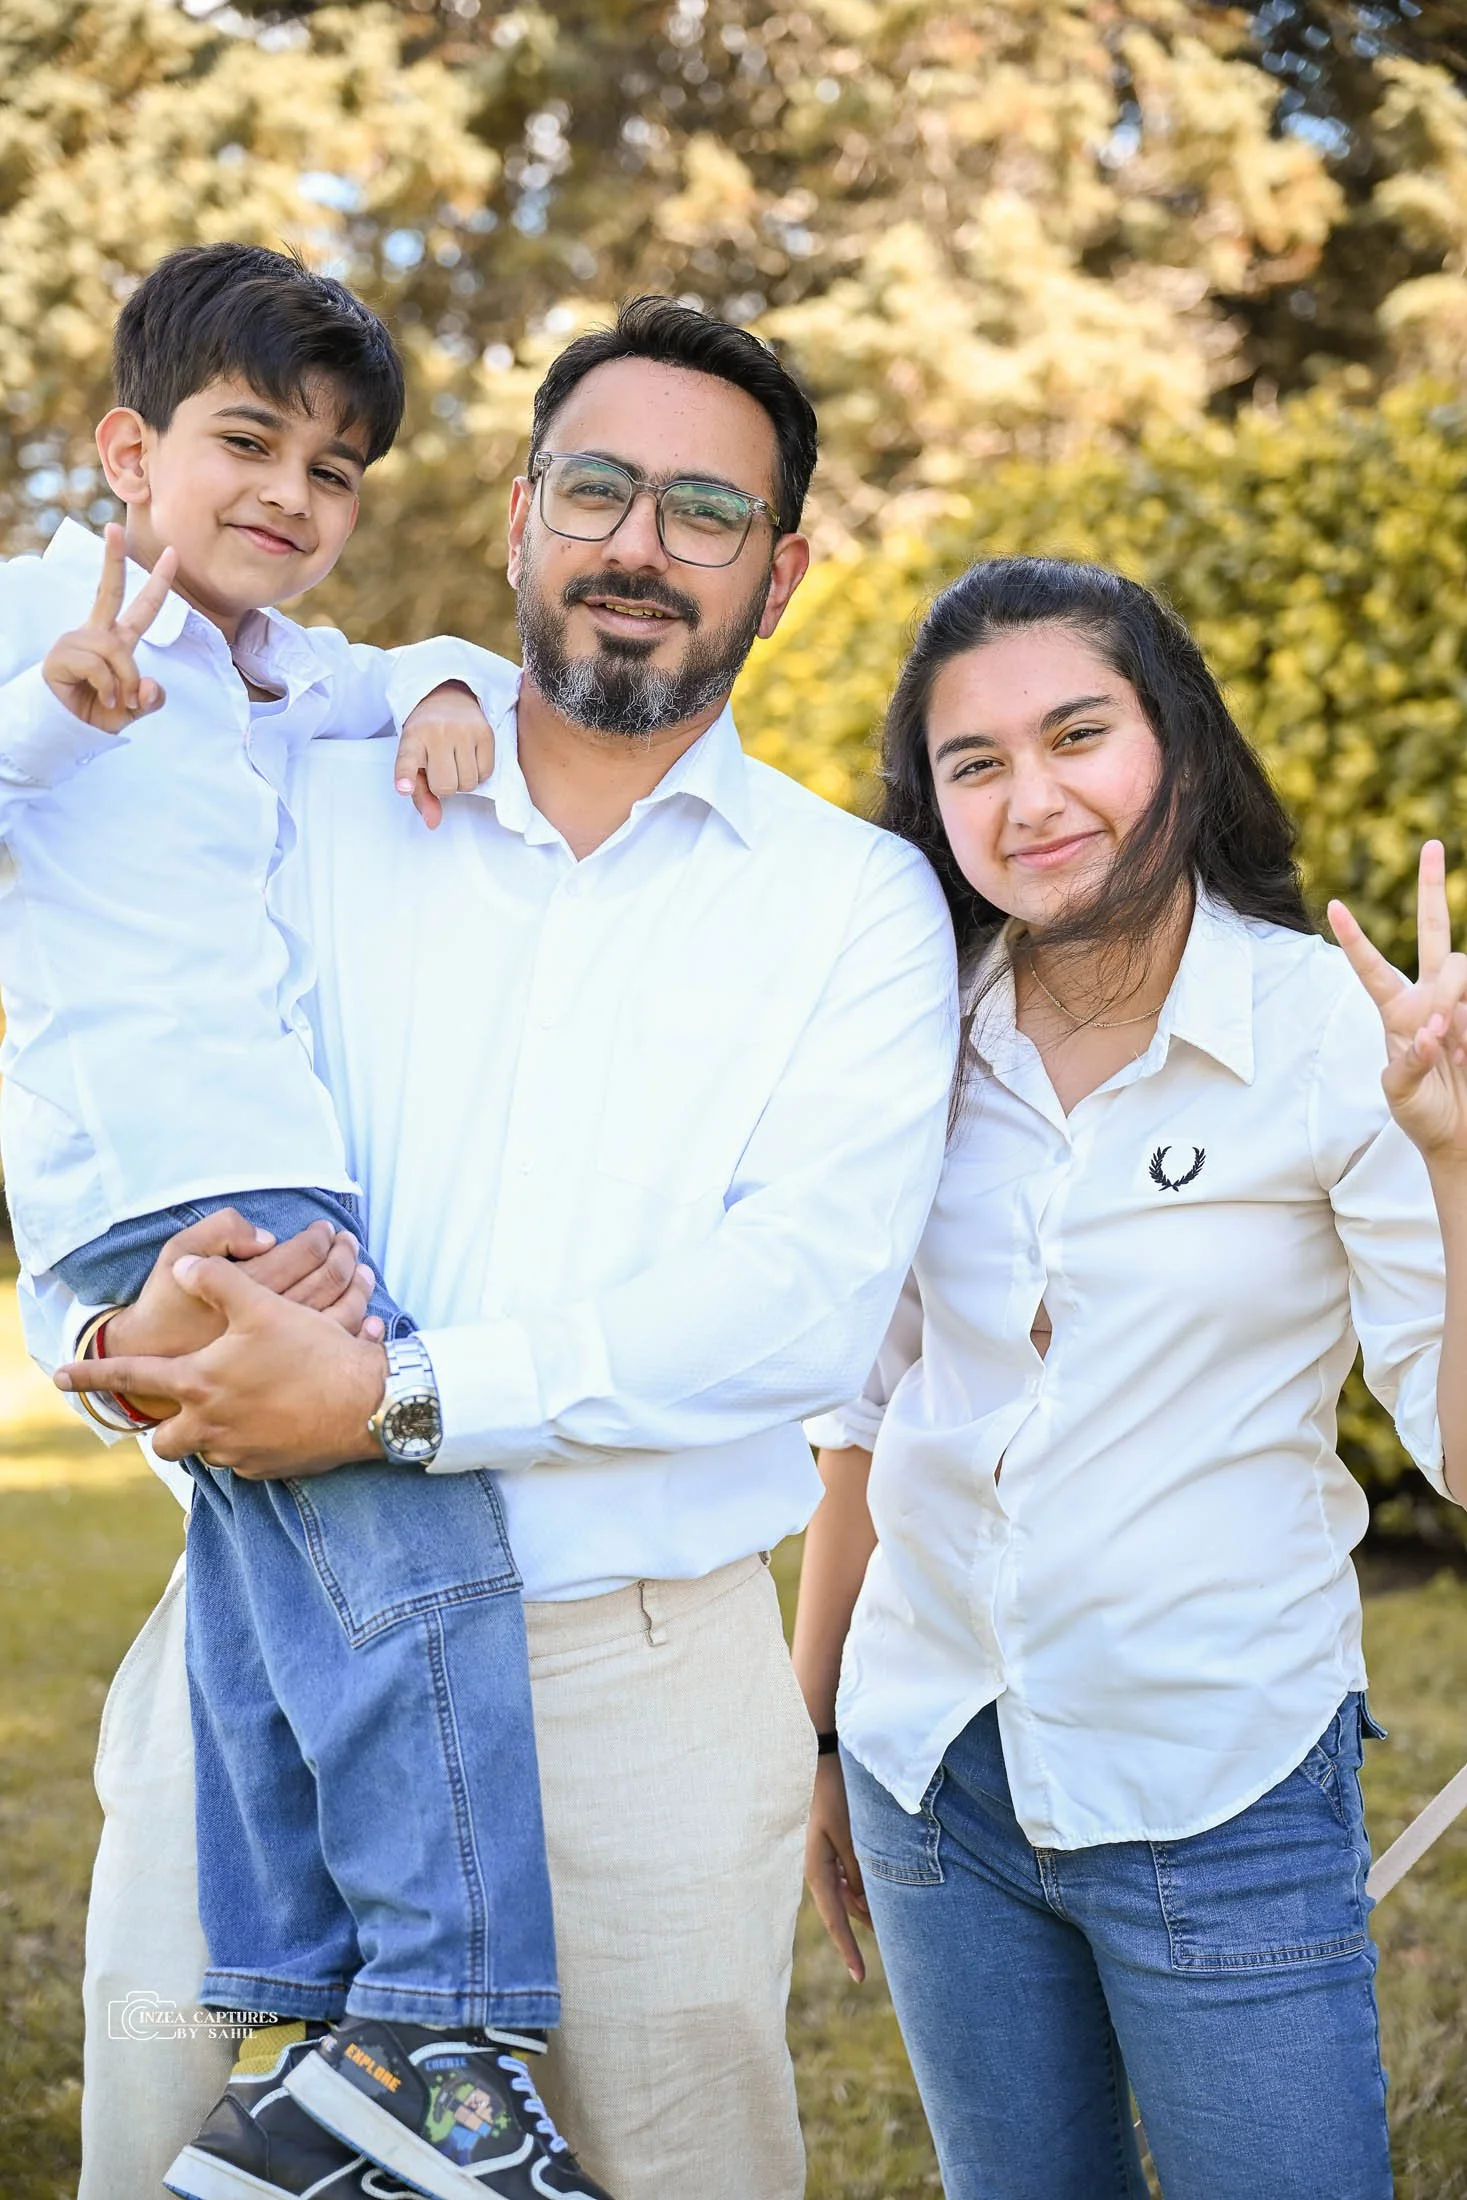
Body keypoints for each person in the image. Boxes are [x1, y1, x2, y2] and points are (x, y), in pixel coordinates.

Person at [40, 295, 961, 2200]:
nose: (639, 545)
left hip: (636, 1688)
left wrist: (388, 1397)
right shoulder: (284, 775)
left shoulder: (854, 906)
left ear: (779, 576)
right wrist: (137, 1324)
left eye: (704, 513)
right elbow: (102, 1004)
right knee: (168, 2154)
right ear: (527, 508)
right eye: (600, 488)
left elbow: (800, 1305)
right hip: (258, 1651)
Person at [0, 240, 625, 2200]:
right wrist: (55, 709)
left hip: (232, 1179)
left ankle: (295, 2052)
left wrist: (444, 693)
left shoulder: (284, 670)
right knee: (414, 1544)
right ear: (128, 450)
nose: (288, 490)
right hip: (185, 1183)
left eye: (332, 468)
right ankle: (447, 2037)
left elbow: (441, 661)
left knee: (281, 1617)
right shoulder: (46, 612)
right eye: (244, 440)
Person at [794, 556, 1467, 2200]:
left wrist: (1448, 1148)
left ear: (1172, 739)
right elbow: (869, 1423)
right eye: (974, 764)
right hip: (932, 1767)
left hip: (1215, 1783)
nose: (1031, 799)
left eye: (1076, 734)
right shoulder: (910, 1040)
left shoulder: (1330, 1032)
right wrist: (816, 1739)